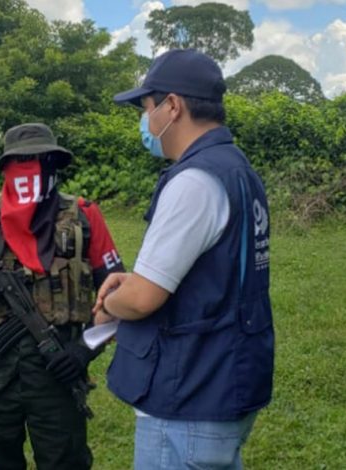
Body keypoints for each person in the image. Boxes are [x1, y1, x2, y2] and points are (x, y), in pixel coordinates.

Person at [92, 49, 274, 469]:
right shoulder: (237, 170)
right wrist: (136, 282)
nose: (145, 121)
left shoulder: (194, 181)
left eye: (147, 108)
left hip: (190, 393)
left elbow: (142, 299)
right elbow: (214, 273)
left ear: (172, 106)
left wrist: (109, 305)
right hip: (226, 378)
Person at [0, 123, 125, 470]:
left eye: (41, 160)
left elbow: (119, 295)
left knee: (65, 461)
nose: (31, 169)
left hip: (57, 370)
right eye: (22, 161)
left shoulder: (84, 217)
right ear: (6, 168)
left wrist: (84, 349)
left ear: (55, 165)